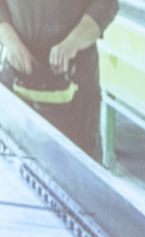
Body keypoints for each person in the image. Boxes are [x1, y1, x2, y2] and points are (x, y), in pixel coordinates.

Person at [0, 0, 118, 160]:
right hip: (18, 72)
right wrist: (10, 41)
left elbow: (106, 4)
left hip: (74, 81)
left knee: (76, 166)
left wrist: (73, 42)